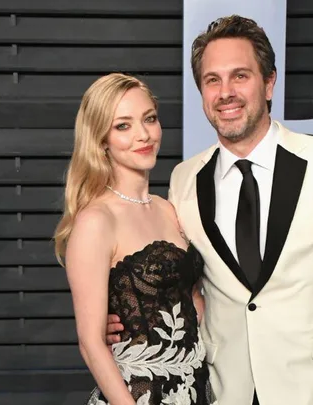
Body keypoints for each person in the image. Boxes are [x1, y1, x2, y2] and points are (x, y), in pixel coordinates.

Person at [107, 16, 313, 405]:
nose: (226, 92)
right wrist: (129, 320)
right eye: (213, 80)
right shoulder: (184, 179)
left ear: (269, 82)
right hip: (229, 389)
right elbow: (186, 280)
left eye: (240, 76)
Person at [53, 73, 215, 405]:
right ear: (101, 140)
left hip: (196, 390)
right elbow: (91, 343)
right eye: (123, 126)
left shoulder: (168, 208)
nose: (143, 134)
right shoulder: (96, 220)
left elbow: (192, 298)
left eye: (149, 119)